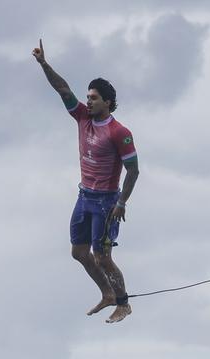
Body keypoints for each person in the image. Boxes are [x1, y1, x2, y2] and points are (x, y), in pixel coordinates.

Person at [32, 39, 140, 323]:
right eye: (88, 97)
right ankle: (107, 293)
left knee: (103, 256)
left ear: (107, 102)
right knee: (79, 252)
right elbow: (62, 89)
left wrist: (121, 202)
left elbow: (134, 170)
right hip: (84, 197)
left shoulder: (119, 132)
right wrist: (44, 64)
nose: (88, 101)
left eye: (93, 98)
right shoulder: (82, 117)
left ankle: (123, 303)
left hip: (106, 202)